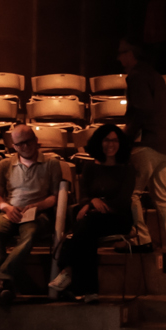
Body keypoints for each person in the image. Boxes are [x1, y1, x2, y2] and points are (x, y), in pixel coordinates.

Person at [116, 37, 166, 272]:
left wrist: (126, 137)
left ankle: (141, 239)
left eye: (121, 53)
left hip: (149, 143)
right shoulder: (155, 75)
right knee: (164, 198)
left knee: (131, 193)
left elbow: (141, 110)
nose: (118, 58)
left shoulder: (136, 76)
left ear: (131, 53)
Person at [48, 123, 134, 302]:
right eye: (106, 140)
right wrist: (90, 202)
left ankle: (68, 270)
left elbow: (122, 200)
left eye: (115, 140)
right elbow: (84, 195)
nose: (111, 144)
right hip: (93, 219)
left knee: (86, 226)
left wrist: (95, 204)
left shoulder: (127, 169)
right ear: (99, 142)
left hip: (118, 217)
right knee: (88, 234)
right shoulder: (90, 168)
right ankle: (90, 292)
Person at [0, 124, 63, 305]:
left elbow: (55, 196)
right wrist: (6, 208)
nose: (25, 147)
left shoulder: (51, 164)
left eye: (28, 142)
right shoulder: (5, 164)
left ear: (36, 140)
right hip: (11, 210)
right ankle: (4, 286)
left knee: (29, 234)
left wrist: (37, 206)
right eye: (20, 144)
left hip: (38, 212)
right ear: (14, 146)